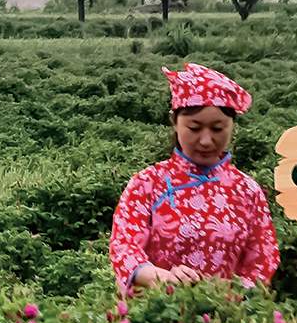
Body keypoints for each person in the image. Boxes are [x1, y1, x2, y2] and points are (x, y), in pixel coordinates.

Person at [109, 63, 278, 296]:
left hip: (226, 322)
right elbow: (124, 249)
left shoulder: (247, 191)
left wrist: (232, 293)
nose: (206, 140)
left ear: (231, 126)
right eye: (194, 128)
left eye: (218, 129)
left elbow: (262, 261)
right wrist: (163, 277)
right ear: (175, 122)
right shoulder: (148, 183)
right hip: (154, 315)